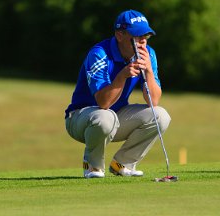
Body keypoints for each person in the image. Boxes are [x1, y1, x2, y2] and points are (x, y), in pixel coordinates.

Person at [64, 9, 171, 178]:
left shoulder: (148, 54)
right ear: (119, 35)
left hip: (115, 116)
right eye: (137, 36)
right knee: (104, 117)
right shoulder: (99, 53)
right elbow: (103, 103)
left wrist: (149, 71)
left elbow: (154, 100)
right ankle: (93, 167)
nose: (142, 41)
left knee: (160, 116)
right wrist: (123, 75)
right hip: (80, 118)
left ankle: (122, 164)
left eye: (146, 36)